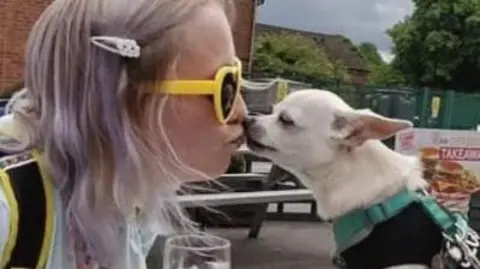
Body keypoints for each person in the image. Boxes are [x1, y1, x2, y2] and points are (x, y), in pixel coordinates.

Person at [0, 0, 246, 268]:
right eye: (226, 87)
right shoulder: (8, 205)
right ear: (122, 95)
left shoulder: (128, 191)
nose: (242, 112)